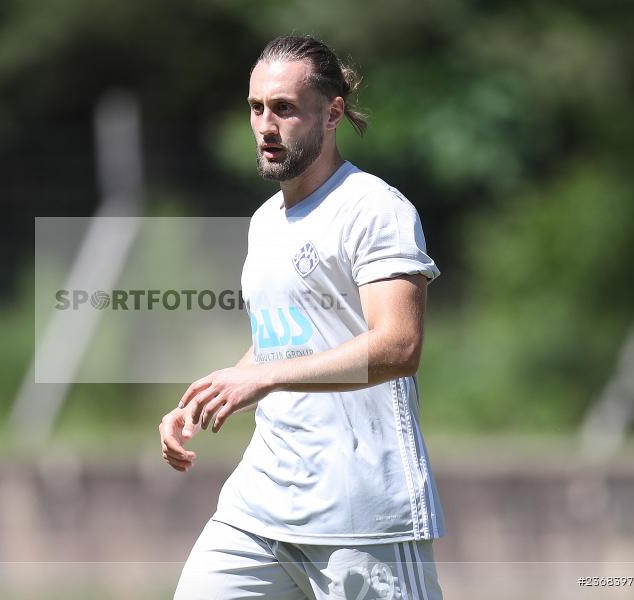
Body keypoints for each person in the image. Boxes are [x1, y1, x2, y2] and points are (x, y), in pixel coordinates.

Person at [159, 35, 445, 599]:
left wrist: (262, 378)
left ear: (332, 111)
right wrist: (209, 396)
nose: (266, 125)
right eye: (256, 108)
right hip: (262, 504)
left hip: (361, 514)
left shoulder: (374, 209)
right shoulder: (265, 222)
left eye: (284, 108)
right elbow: (282, 344)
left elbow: (398, 347)